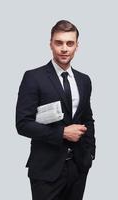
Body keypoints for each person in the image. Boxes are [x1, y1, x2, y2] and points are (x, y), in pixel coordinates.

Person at [16, 20, 96, 200]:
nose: (64, 48)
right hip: (46, 169)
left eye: (70, 43)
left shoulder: (84, 80)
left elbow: (88, 118)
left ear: (77, 46)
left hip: (78, 167)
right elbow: (23, 124)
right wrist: (61, 133)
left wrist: (90, 153)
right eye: (59, 42)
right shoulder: (33, 77)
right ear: (50, 44)